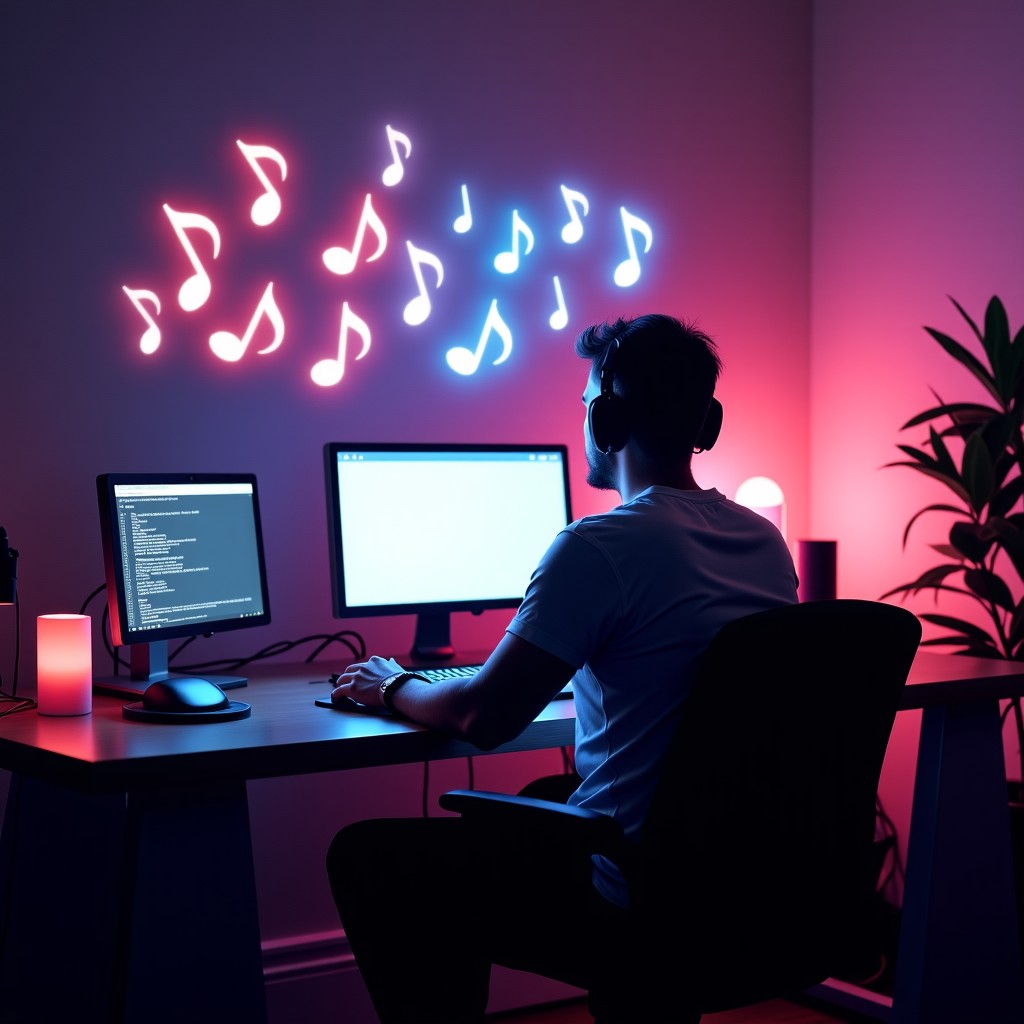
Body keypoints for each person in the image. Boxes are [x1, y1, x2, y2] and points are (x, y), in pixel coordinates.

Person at [326, 313, 799, 1023]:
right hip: (737, 882)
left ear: (606, 420)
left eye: (586, 404)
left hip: (637, 895)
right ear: (708, 423)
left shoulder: (599, 547)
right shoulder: (764, 540)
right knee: (552, 784)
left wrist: (389, 683)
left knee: (371, 855)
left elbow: (481, 718)